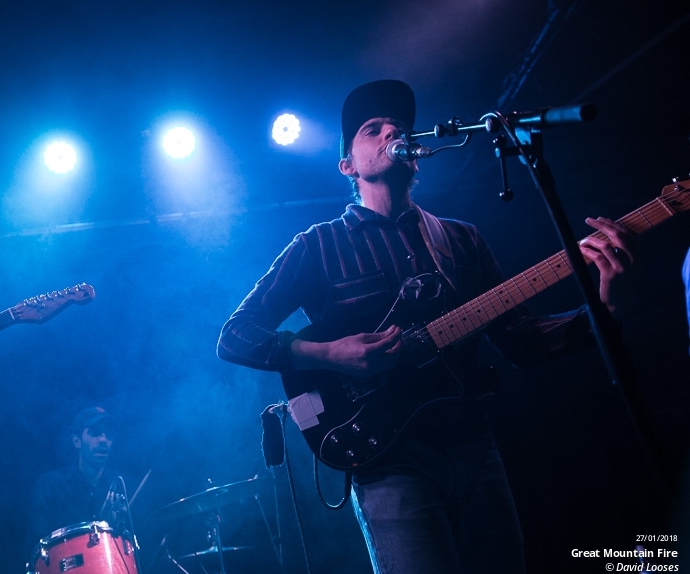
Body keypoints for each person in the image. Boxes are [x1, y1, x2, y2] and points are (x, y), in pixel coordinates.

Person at [216, 80, 636, 574]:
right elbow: (235, 335)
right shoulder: (317, 246)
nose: (392, 131)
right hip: (390, 465)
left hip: (475, 449)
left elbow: (522, 341)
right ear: (348, 165)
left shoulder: (461, 240)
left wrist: (605, 306)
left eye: (398, 126)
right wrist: (328, 354)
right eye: (373, 129)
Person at [29, 407, 121, 543]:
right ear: (77, 441)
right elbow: (37, 544)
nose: (103, 439)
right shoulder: (50, 486)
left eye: (108, 434)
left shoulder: (122, 486)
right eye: (95, 433)